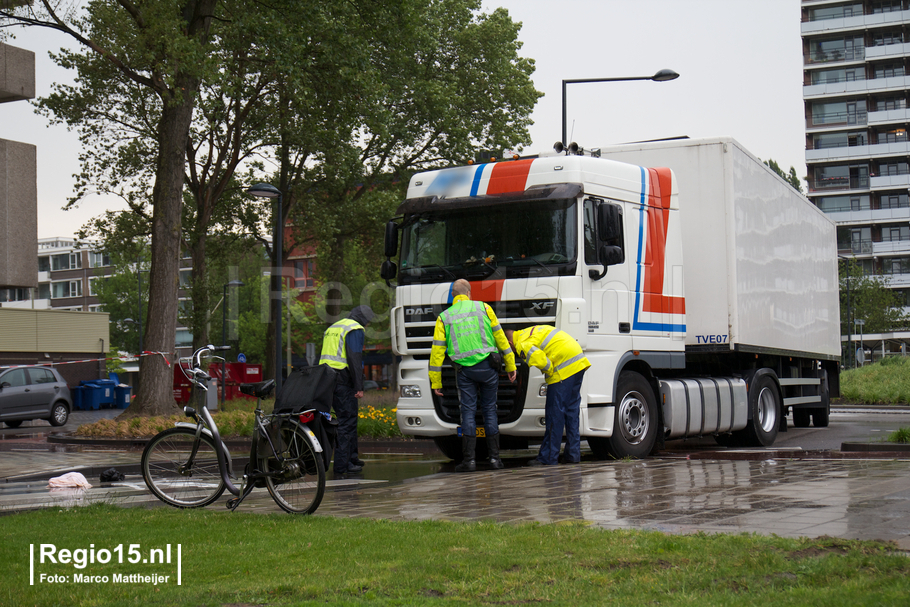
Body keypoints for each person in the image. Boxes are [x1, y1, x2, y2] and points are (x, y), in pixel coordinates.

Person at [430, 279, 516, 472]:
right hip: (488, 368)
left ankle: (469, 461)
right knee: (489, 411)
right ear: (469, 293)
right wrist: (511, 365)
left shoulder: (444, 317)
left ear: (453, 296)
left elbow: (436, 353)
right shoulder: (484, 308)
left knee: (467, 412)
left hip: (465, 371)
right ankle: (495, 460)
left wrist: (436, 382)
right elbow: (501, 339)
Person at [506, 326, 590, 466]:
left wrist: (550, 370)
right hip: (577, 360)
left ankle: (548, 457)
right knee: (571, 411)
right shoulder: (526, 333)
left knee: (554, 414)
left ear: (509, 344)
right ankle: (573, 455)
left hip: (563, 367)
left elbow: (539, 358)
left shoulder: (521, 343)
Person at [319, 305, 374, 476]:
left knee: (347, 419)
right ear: (363, 320)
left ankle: (352, 458)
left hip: (327, 378)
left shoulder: (334, 327)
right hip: (343, 378)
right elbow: (354, 358)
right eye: (368, 322)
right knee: (346, 421)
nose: (367, 326)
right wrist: (359, 386)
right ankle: (342, 465)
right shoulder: (354, 329)